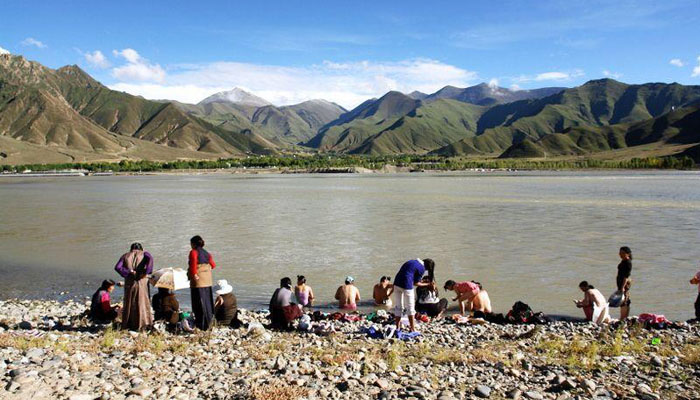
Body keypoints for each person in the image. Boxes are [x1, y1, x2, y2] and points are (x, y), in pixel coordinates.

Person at [115, 242, 154, 331]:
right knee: (142, 301)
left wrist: (129, 272)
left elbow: (117, 267)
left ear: (131, 249)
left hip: (130, 281)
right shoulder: (145, 254)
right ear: (141, 249)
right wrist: (146, 272)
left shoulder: (125, 255)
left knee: (129, 301)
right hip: (142, 280)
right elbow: (150, 261)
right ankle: (144, 323)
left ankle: (128, 323)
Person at [393, 258, 435, 332]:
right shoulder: (422, 268)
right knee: (410, 308)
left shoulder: (411, 261)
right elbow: (416, 283)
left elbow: (409, 275)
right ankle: (412, 328)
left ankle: (397, 327)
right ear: (427, 267)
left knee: (398, 306)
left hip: (396, 283)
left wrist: (423, 281)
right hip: (406, 285)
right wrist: (428, 284)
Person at [188, 235, 216, 330]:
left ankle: (201, 323)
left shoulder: (193, 252)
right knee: (207, 301)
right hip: (207, 281)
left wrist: (194, 274)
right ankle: (210, 321)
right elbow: (213, 265)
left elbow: (193, 266)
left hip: (198, 281)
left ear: (193, 244)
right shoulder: (207, 253)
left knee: (198, 302)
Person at [616, 246, 633, 319]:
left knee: (624, 301)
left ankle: (623, 318)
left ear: (628, 254)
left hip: (624, 283)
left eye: (623, 253)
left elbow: (626, 276)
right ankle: (623, 318)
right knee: (624, 300)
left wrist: (622, 287)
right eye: (620, 253)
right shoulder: (623, 261)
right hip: (621, 282)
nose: (620, 254)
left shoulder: (628, 262)